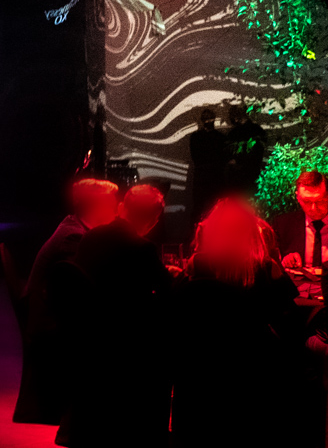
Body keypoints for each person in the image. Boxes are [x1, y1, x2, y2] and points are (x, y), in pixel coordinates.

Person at [168, 198, 315, 448]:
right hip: (254, 384)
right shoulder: (265, 268)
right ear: (252, 233)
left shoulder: (196, 267)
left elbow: (174, 320)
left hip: (199, 385)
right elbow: (292, 328)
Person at [57, 183, 172, 448]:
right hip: (124, 346)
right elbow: (168, 291)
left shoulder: (91, 237)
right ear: (153, 221)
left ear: (122, 208)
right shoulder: (142, 248)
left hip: (89, 340)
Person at [14, 178, 119, 425]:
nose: (116, 210)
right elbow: (84, 291)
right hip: (50, 324)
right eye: (112, 204)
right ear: (95, 207)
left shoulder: (75, 227)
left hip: (51, 313)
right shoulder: (74, 237)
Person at [270, 170, 328, 272]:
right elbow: (272, 265)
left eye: (320, 201)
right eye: (307, 201)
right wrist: (285, 261)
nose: (313, 208)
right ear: (298, 198)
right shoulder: (283, 225)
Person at [186, 109, 228, 221]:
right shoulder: (220, 137)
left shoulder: (196, 137)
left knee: (202, 206)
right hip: (213, 176)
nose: (208, 121)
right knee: (210, 206)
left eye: (209, 118)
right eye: (207, 118)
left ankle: (197, 228)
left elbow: (196, 157)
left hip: (205, 175)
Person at [225, 105, 270, 196]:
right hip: (242, 177)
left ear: (237, 117)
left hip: (248, 176)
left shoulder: (254, 131)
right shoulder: (255, 130)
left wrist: (237, 161)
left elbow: (257, 152)